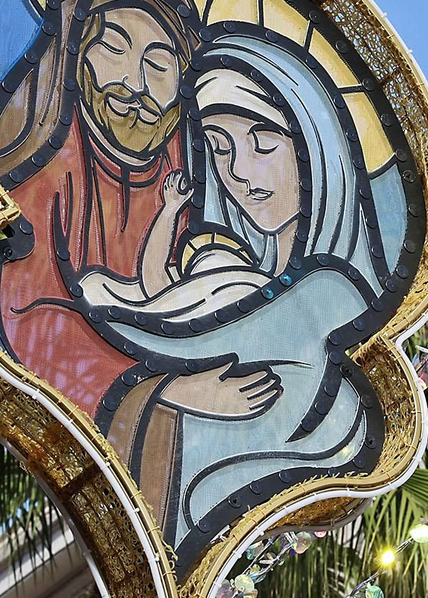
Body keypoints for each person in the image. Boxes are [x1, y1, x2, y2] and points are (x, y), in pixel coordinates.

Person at [76, 31, 391, 570]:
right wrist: (174, 387)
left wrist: (136, 356)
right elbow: (159, 305)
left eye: (263, 144)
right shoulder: (223, 265)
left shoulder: (333, 294)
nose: (240, 172)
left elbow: (155, 334)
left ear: (314, 147)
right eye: (221, 149)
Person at [0, 0, 256, 433]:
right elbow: (28, 312)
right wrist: (166, 388)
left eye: (159, 63)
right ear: (75, 51)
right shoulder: (45, 171)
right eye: (113, 48)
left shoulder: (205, 175)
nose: (135, 83)